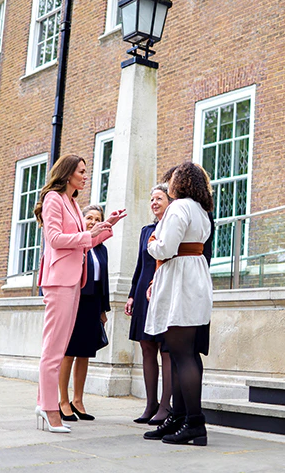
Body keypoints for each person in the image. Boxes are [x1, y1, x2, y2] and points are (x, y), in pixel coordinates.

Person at [32, 154, 126, 433]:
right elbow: (55, 240)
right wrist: (89, 234)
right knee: (54, 350)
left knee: (59, 347)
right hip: (59, 280)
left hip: (75, 280)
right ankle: (50, 409)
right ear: (68, 173)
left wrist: (106, 226)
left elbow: (83, 245)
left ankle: (43, 403)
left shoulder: (73, 202)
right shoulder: (54, 199)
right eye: (82, 172)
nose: (86, 176)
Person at [143, 162, 213, 446]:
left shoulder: (180, 207)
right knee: (187, 352)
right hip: (195, 278)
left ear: (179, 182)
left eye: (170, 179)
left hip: (180, 281)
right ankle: (181, 417)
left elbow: (165, 247)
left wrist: (151, 242)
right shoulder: (200, 209)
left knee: (181, 354)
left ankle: (194, 423)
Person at [58, 204, 111, 423]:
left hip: (92, 303)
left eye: (98, 219)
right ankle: (62, 401)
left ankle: (78, 401)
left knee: (85, 353)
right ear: (81, 220)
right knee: (68, 352)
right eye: (89, 218)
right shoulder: (77, 243)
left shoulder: (101, 248)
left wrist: (103, 309)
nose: (93, 222)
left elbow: (104, 280)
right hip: (75, 300)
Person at [125, 184, 173, 425]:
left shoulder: (173, 226)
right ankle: (150, 403)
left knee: (166, 349)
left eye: (159, 198)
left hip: (164, 288)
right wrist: (132, 294)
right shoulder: (146, 231)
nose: (154, 202)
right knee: (146, 347)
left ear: (170, 201)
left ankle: (166, 406)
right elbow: (140, 265)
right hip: (143, 289)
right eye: (151, 199)